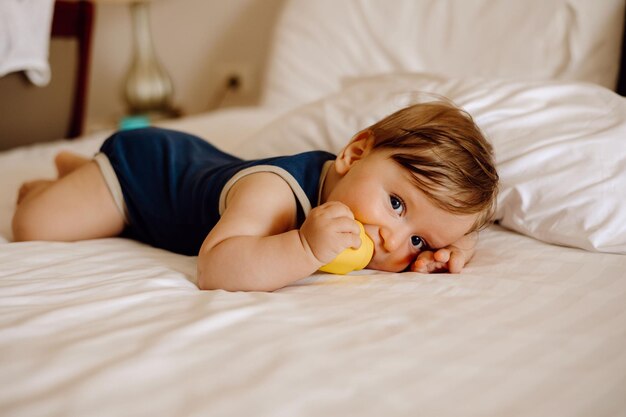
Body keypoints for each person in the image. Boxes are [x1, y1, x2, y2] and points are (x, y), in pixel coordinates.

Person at [12, 101, 499, 292]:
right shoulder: (273, 191)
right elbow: (215, 267)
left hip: (202, 167)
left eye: (417, 241)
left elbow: (443, 228)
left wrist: (452, 245)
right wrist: (303, 249)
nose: (394, 240)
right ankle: (72, 179)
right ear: (354, 153)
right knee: (35, 226)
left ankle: (79, 175)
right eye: (396, 204)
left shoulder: (357, 192)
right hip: (145, 175)